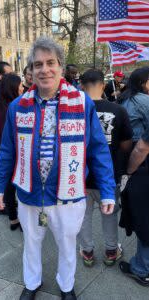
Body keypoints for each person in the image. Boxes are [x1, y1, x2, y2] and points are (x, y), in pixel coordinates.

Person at [0, 37, 116, 300]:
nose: (44, 69)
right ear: (31, 71)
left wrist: (107, 190)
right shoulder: (17, 107)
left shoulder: (82, 103)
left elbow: (97, 149)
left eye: (50, 63)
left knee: (67, 245)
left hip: (68, 194)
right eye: (37, 64)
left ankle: (66, 286)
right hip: (29, 192)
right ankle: (32, 282)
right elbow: (7, 151)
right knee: (31, 243)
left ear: (60, 66)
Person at [78, 69, 133, 267]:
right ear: (103, 84)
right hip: (108, 175)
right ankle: (111, 250)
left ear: (82, 86)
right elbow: (127, 145)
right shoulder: (118, 110)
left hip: (80, 176)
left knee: (82, 216)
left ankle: (87, 251)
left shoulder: (75, 112)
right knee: (109, 213)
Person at [117, 67, 149, 286]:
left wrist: (128, 171)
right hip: (141, 162)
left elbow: (141, 148)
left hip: (138, 163)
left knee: (144, 218)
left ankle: (142, 268)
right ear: (144, 82)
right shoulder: (142, 102)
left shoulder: (125, 101)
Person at [0, 73, 23, 229]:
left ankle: (13, 219)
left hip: (2, 150)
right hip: (17, 152)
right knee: (21, 187)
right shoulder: (17, 107)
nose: (22, 88)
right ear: (13, 87)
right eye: (20, 85)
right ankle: (23, 220)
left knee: (8, 187)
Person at [118, 67, 149, 143]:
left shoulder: (125, 96)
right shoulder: (143, 99)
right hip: (139, 144)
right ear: (142, 83)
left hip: (125, 142)